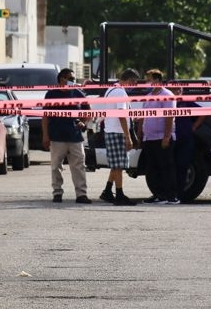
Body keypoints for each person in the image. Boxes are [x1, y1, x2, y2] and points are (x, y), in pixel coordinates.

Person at [41, 68, 91, 204]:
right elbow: (45, 117)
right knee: (56, 166)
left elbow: (89, 112)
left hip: (75, 137)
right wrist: (45, 136)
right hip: (57, 137)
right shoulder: (51, 94)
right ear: (62, 79)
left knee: (79, 166)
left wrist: (83, 121)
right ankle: (57, 192)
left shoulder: (78, 93)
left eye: (73, 79)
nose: (72, 82)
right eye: (70, 79)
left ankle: (81, 194)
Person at [138, 69, 179, 205]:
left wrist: (166, 137)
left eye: (148, 79)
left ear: (156, 80)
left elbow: (169, 116)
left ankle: (171, 196)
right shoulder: (149, 96)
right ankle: (158, 195)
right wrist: (140, 136)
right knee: (152, 169)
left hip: (162, 138)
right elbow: (143, 117)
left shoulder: (167, 95)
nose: (146, 82)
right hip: (149, 139)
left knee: (166, 167)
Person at [99, 68, 140, 206]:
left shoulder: (111, 90)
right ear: (129, 80)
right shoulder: (120, 92)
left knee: (117, 165)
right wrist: (128, 137)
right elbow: (121, 115)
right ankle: (120, 195)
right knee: (119, 166)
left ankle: (108, 191)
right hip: (117, 132)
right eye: (134, 83)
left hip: (111, 130)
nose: (133, 86)